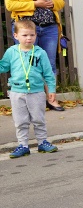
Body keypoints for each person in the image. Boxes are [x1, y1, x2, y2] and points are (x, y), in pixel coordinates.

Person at [5, 0, 66, 111]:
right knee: (26, 63)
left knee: (49, 64)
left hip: (49, 28)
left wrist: (52, 3)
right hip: (27, 28)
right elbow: (10, 4)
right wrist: (35, 4)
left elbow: (61, 2)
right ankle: (27, 101)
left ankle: (51, 99)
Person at [0, 19, 60, 158]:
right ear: (16, 36)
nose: (29, 38)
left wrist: (51, 90)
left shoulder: (40, 53)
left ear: (36, 35)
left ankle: (42, 142)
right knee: (20, 121)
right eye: (25, 35)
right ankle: (23, 145)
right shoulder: (11, 52)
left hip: (37, 92)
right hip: (17, 92)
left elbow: (48, 73)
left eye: (32, 35)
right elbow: (3, 66)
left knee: (39, 119)